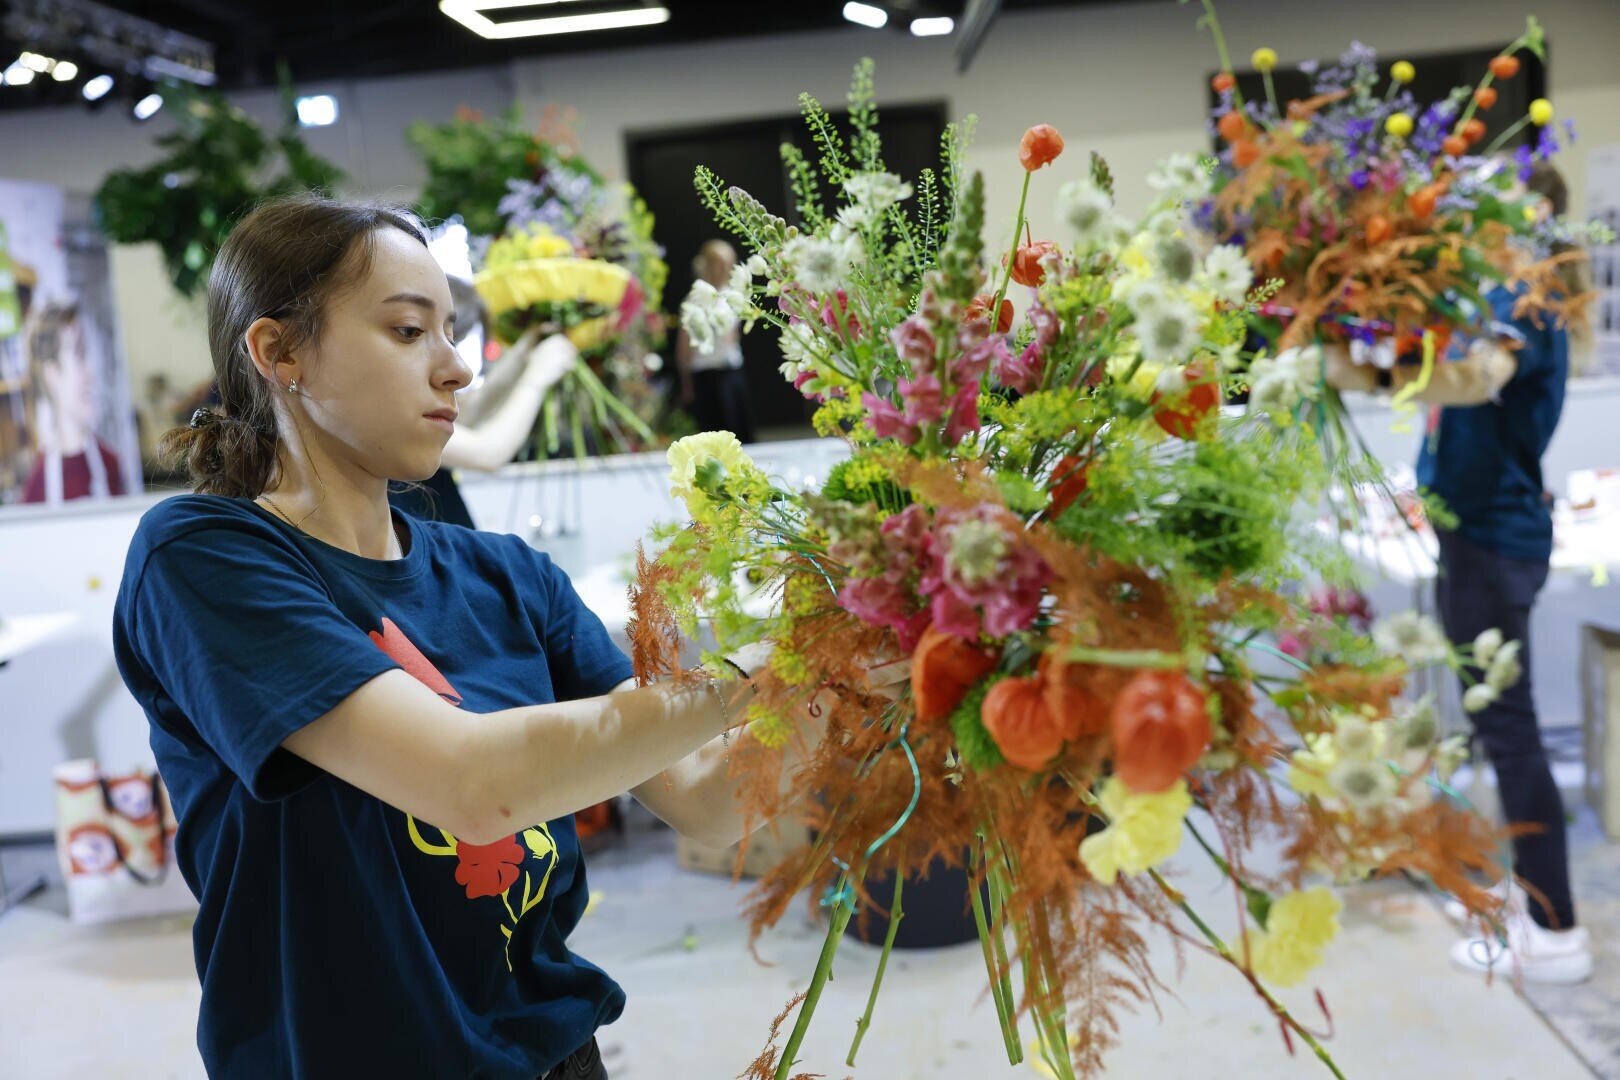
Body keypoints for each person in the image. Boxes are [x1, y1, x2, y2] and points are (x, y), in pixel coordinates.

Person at [111, 195, 904, 1077]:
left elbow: (709, 803)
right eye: (410, 332)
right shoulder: (202, 558)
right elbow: (469, 782)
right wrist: (763, 666)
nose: (456, 371)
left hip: (551, 1053)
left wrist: (847, 666)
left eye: (452, 333)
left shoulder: (507, 577)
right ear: (279, 351)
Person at [1325, 162, 1591, 985]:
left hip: (1493, 542)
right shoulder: (1499, 297)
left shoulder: (1531, 299)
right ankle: (1536, 913)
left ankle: (1554, 933)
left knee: (1510, 732)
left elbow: (1477, 383)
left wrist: (1369, 375)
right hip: (1477, 535)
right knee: (1500, 724)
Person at [389, 273, 580, 528]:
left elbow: (467, 417)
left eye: (452, 340)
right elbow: (487, 453)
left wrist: (520, 358)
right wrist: (536, 378)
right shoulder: (389, 412)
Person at [21, 301, 126, 503]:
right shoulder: (36, 488)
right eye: (79, 354)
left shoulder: (111, 464)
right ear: (51, 374)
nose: (91, 371)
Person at [675, 239, 754, 442]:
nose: (724, 268)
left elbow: (734, 334)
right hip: (706, 375)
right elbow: (684, 347)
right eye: (719, 263)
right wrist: (687, 383)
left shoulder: (732, 295)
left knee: (740, 431)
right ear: (706, 264)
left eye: (729, 263)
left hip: (732, 371)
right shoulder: (694, 300)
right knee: (715, 435)